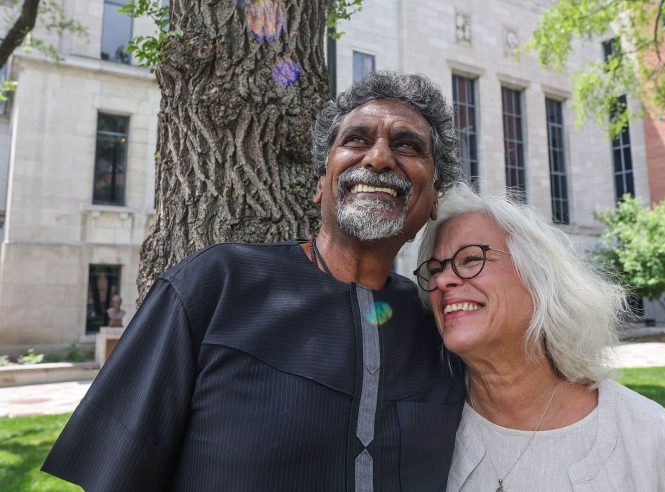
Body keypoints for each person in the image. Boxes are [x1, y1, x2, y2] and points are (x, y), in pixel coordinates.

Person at [42, 71, 465, 492]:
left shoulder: (442, 327)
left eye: (407, 145)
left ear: (433, 202)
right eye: (356, 140)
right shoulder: (214, 286)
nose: (378, 158)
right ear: (321, 185)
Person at [414, 183, 665, 491]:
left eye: (470, 259)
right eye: (436, 269)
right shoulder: (417, 432)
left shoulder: (659, 442)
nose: (442, 279)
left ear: (540, 278)